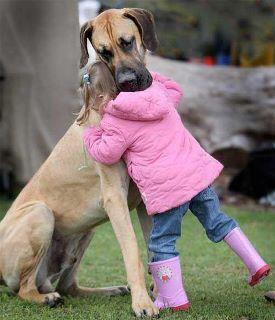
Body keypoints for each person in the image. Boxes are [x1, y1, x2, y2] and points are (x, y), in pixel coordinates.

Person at [82, 62, 271, 312]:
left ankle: (174, 297)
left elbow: (106, 153)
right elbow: (175, 87)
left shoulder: (116, 121)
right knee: (217, 220)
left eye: (91, 101)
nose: (93, 107)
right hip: (196, 176)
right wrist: (149, 77)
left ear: (101, 97)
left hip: (169, 189)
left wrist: (90, 135)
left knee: (162, 242)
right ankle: (255, 262)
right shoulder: (159, 94)